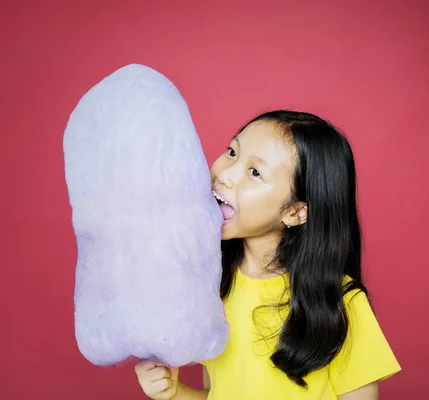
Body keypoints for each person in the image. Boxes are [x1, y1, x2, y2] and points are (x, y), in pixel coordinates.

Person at [135, 110, 400, 399]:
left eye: (255, 172)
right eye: (232, 151)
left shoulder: (340, 303)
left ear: (295, 212)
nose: (224, 174)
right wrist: (174, 392)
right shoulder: (212, 289)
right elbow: (217, 394)